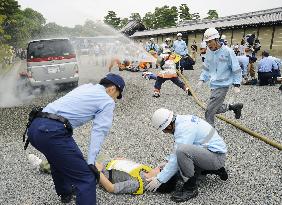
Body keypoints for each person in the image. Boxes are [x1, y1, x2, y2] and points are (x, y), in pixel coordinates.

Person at [24, 73, 125, 205]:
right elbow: (99, 131)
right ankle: (72, 193)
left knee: (57, 159)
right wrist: (91, 162)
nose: (114, 99)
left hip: (34, 127)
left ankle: (66, 194)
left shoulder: (87, 87)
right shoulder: (107, 101)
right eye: (116, 95)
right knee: (86, 177)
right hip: (52, 132)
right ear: (112, 89)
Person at [146, 108, 228, 203]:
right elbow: (187, 147)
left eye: (164, 130)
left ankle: (190, 188)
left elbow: (179, 153)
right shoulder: (183, 120)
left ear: (168, 126)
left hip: (216, 157)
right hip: (212, 153)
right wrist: (167, 162)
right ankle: (216, 169)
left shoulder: (184, 129)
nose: (165, 132)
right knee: (181, 162)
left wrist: (159, 179)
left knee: (182, 152)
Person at [34, 156, 178, 195]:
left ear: (157, 180)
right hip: (105, 166)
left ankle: (42, 165)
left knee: (74, 165)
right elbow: (128, 165)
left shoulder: (137, 183)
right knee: (75, 158)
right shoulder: (144, 170)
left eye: (161, 170)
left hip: (99, 176)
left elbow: (111, 188)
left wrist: (96, 171)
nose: (159, 166)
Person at [198, 28, 243, 127]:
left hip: (223, 84)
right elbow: (206, 66)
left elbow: (236, 68)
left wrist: (237, 84)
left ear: (216, 39)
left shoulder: (228, 51)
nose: (208, 44)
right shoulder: (209, 52)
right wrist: (202, 78)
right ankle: (233, 107)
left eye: (210, 41)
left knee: (209, 110)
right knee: (215, 108)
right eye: (207, 42)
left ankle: (210, 130)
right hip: (213, 84)